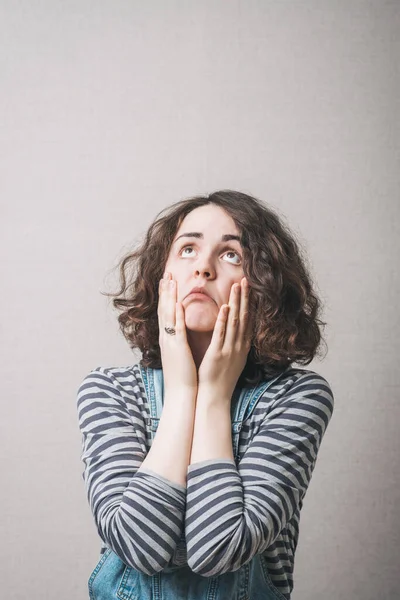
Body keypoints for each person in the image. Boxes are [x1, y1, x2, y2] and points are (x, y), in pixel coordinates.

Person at [76, 190, 334, 600]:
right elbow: (140, 547)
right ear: (163, 277)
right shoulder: (109, 390)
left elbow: (219, 548)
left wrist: (212, 395)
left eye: (231, 254)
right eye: (188, 249)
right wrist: (182, 393)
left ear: (264, 282)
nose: (204, 269)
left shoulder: (296, 397)